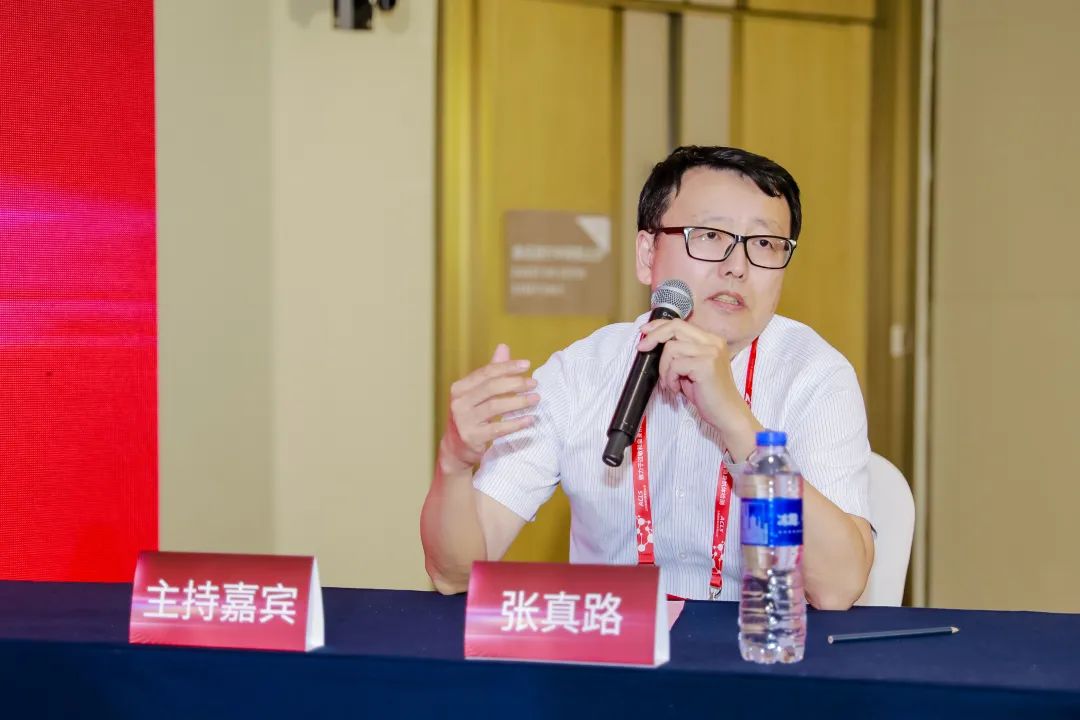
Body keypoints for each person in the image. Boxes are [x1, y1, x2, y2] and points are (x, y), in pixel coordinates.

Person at [420, 146, 874, 609]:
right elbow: (454, 574)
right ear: (646, 253)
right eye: (710, 235)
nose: (737, 266)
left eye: (764, 244)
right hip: (610, 642)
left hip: (754, 642)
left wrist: (737, 423)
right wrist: (453, 463)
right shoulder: (582, 372)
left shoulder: (815, 376)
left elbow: (837, 587)